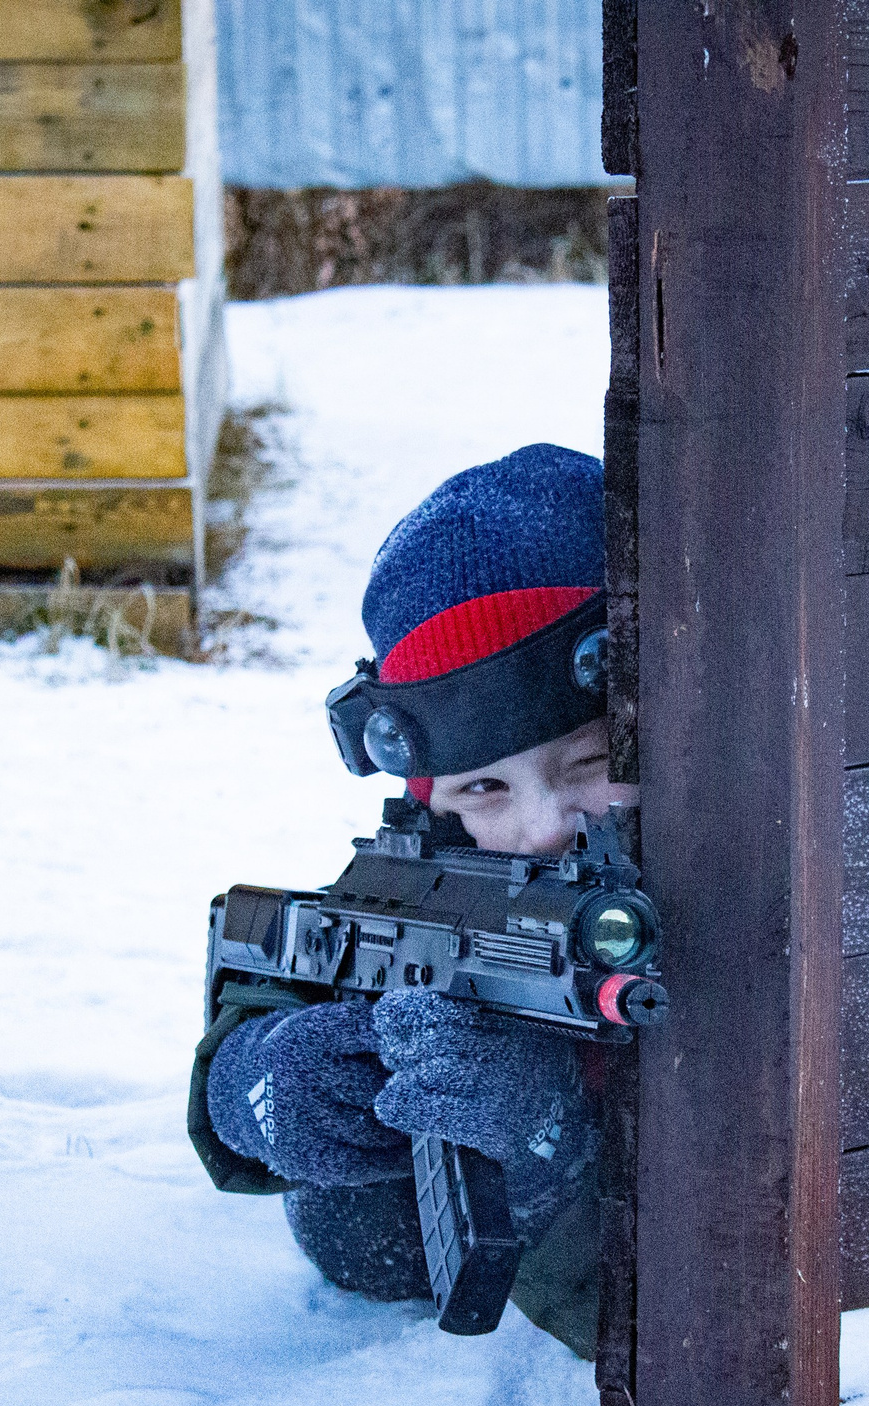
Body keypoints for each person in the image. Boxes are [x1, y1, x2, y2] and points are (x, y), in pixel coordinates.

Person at [194, 444, 631, 1356]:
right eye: (484, 790)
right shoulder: (436, 876)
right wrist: (262, 1081)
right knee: (360, 1225)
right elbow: (283, 971)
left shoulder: (750, 863)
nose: (542, 826)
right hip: (404, 1266)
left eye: (590, 764)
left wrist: (546, 1152)